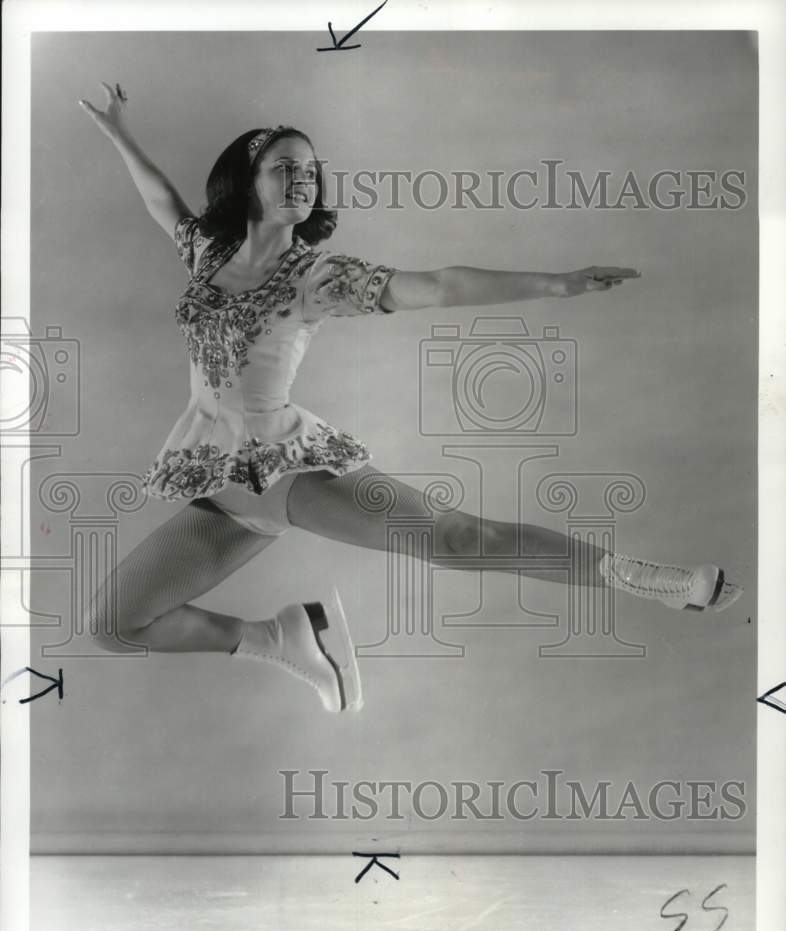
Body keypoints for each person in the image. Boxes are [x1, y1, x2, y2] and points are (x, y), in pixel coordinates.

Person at [78, 83, 743, 714]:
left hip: (283, 469)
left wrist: (558, 283)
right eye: (285, 167)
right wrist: (118, 133)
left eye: (311, 170)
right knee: (115, 624)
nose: (303, 178)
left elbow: (442, 285)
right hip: (220, 489)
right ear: (247, 180)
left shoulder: (316, 276)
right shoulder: (206, 252)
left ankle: (650, 579)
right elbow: (162, 200)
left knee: (457, 539)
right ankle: (285, 638)